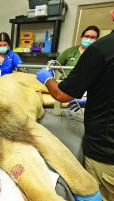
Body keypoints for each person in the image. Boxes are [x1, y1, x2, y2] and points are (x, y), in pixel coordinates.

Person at [36, 11, 114, 201]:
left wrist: (47, 80)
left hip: (106, 152)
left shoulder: (101, 50)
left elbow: (62, 94)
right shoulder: (78, 52)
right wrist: (91, 100)